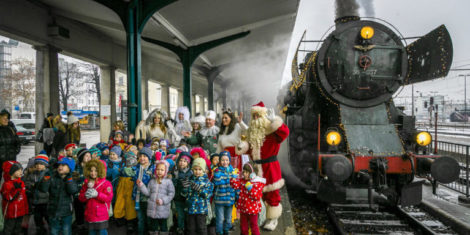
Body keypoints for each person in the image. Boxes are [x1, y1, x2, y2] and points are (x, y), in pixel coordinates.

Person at [241, 101, 289, 230]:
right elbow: (247, 144)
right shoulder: (253, 132)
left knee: (272, 193)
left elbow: (284, 133)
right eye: (254, 116)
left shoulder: (272, 130)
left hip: (270, 166)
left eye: (258, 115)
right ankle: (262, 216)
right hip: (256, 167)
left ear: (263, 116)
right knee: (258, 193)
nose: (256, 118)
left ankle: (273, 219)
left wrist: (276, 122)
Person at [39, 157, 78, 235]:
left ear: (69, 168)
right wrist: (46, 178)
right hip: (53, 211)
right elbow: (43, 189)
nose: (60, 167)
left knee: (66, 231)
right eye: (59, 165)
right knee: (54, 231)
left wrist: (69, 179)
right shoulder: (53, 177)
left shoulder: (72, 178)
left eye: (63, 165)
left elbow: (72, 190)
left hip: (66, 212)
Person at [137, 160, 175, 235]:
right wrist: (141, 185)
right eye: (157, 169)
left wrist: (163, 200)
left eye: (162, 170)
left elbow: (171, 194)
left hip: (163, 210)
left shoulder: (168, 182)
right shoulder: (152, 181)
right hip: (153, 211)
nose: (159, 171)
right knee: (153, 227)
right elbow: (148, 193)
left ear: (166, 171)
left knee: (163, 227)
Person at [78, 159, 113, 235]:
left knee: (102, 232)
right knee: (91, 233)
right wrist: (85, 195)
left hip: (101, 215)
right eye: (91, 170)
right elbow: (80, 198)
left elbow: (108, 198)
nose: (93, 173)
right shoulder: (86, 183)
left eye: (96, 171)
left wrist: (98, 195)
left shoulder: (106, 183)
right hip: (90, 215)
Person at [230, 162, 265, 235]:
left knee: (254, 227)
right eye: (244, 172)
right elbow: (235, 186)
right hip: (243, 209)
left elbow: (257, 197)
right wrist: (233, 177)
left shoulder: (257, 183)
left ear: (253, 174)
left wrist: (251, 188)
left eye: (247, 172)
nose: (245, 174)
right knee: (243, 227)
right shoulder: (243, 181)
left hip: (253, 211)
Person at [182, 158, 214, 235]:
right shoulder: (190, 180)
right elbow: (185, 195)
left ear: (203, 170)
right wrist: (184, 189)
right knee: (191, 229)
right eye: (195, 169)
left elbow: (208, 195)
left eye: (200, 169)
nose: (197, 171)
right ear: (192, 170)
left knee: (201, 228)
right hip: (191, 209)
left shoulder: (207, 182)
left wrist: (200, 190)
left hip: (201, 210)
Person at [24, 154, 50, 235]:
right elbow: (27, 183)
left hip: (46, 201)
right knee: (37, 218)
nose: (38, 166)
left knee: (48, 217)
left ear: (45, 165)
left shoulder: (47, 174)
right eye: (37, 164)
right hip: (36, 201)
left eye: (41, 164)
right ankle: (40, 230)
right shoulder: (33, 174)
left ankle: (51, 230)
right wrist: (31, 186)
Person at [212, 151, 237, 235]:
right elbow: (217, 182)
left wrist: (237, 197)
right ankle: (219, 232)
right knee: (220, 218)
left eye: (227, 160)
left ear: (229, 161)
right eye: (222, 160)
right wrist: (219, 174)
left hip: (230, 199)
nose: (225, 162)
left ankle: (226, 231)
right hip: (219, 199)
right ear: (219, 161)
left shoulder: (233, 171)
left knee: (228, 218)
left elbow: (235, 185)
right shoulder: (217, 170)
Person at [1, 161, 28, 235]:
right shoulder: (7, 184)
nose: (21, 172)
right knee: (8, 229)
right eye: (18, 170)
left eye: (21, 170)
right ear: (12, 172)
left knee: (17, 230)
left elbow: (24, 198)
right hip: (11, 213)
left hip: (20, 211)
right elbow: (8, 198)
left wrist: (25, 210)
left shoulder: (21, 183)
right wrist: (15, 189)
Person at [114, 151, 138, 233]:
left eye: (131, 159)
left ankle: (130, 222)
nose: (129, 161)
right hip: (122, 185)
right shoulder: (122, 166)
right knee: (120, 202)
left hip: (131, 185)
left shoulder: (136, 168)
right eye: (127, 159)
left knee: (130, 204)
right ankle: (120, 218)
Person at [132, 147, 155, 234]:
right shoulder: (136, 168)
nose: (142, 158)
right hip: (138, 197)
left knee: (149, 219)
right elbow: (129, 173)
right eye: (140, 156)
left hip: (149, 197)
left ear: (149, 158)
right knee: (140, 219)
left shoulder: (153, 168)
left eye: (145, 156)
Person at [172, 152, 193, 235]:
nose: (182, 163)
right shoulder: (175, 171)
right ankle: (180, 228)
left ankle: (188, 228)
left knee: (187, 214)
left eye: (185, 161)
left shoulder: (191, 172)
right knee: (180, 214)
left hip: (188, 197)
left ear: (188, 163)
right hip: (178, 197)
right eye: (180, 160)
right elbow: (173, 184)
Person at [0, 109, 21, 176]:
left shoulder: (11, 129)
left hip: (11, 159)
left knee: (10, 179)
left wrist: (16, 151)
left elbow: (17, 142)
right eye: (4, 118)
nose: (6, 120)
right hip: (0, 159)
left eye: (7, 118)